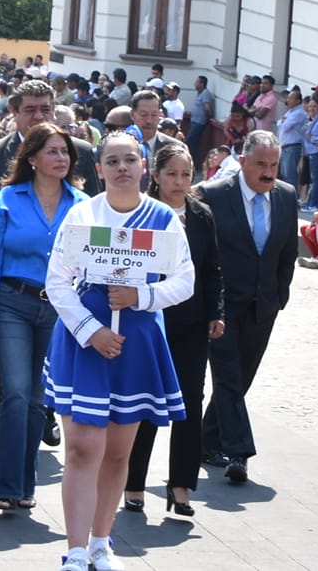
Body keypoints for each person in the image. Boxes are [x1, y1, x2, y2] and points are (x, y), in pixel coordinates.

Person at [45, 133, 194, 570]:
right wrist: (90, 331)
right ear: (99, 169)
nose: (122, 167)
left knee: (116, 451)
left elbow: (184, 281)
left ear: (144, 165)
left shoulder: (163, 218)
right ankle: (74, 549)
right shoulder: (83, 213)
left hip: (136, 340)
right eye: (113, 160)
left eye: (130, 159)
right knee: (83, 448)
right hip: (85, 339)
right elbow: (57, 280)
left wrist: (140, 296)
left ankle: (100, 542)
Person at [0, 122, 89, 511]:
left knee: (40, 398)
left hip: (60, 309)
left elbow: (92, 262)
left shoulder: (83, 204)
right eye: (53, 151)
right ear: (34, 158)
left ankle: (26, 486)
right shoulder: (6, 199)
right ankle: (7, 486)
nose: (62, 158)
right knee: (18, 391)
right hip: (11, 302)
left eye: (66, 152)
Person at [124, 141, 222, 517]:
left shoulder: (202, 215)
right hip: (150, 320)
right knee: (147, 401)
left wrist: (216, 311)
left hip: (193, 322)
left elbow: (212, 268)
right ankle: (133, 483)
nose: (178, 182)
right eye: (171, 174)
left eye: (186, 175)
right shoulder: (142, 213)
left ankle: (181, 485)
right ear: (156, 176)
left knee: (189, 402)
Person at [197, 129, 296, 485]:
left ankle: (205, 442)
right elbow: (200, 254)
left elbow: (287, 253)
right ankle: (237, 450)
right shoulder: (212, 195)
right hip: (221, 306)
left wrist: (280, 294)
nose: (268, 172)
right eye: (260, 165)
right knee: (227, 375)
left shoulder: (285, 196)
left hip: (263, 305)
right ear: (242, 163)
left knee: (242, 378)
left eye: (274, 165)